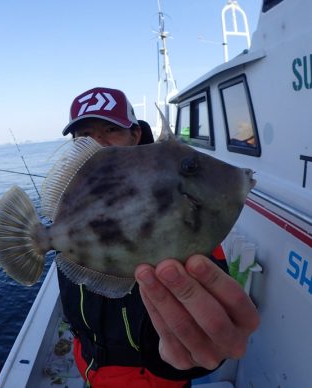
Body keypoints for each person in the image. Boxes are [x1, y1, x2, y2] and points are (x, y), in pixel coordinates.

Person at [58, 87, 260, 388]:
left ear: (136, 135)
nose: (98, 143)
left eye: (110, 129)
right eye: (83, 136)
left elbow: (196, 294)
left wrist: (192, 351)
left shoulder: (182, 226)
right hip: (89, 370)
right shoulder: (73, 212)